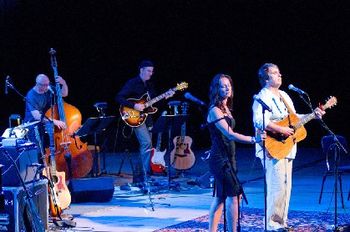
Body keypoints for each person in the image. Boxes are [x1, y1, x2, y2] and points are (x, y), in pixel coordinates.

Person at [252, 63, 325, 231]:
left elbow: (294, 118)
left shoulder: (284, 95)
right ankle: (272, 225)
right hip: (272, 147)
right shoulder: (262, 96)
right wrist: (279, 129)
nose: (280, 75)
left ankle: (281, 223)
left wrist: (313, 115)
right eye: (275, 73)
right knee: (276, 187)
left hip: (287, 146)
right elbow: (259, 120)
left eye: (279, 72)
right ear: (265, 78)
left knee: (286, 186)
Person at [207, 73, 264, 232]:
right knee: (234, 195)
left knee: (220, 197)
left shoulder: (226, 108)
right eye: (223, 85)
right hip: (219, 159)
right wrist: (253, 140)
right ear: (216, 89)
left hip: (229, 157)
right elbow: (230, 134)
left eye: (229, 85)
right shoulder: (214, 110)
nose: (227, 88)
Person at [116, 60, 174, 185]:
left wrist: (166, 96)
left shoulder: (149, 85)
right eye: (148, 71)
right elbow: (119, 97)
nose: (151, 73)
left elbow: (153, 104)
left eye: (152, 71)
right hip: (133, 116)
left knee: (146, 146)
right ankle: (144, 175)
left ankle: (139, 176)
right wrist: (134, 105)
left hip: (146, 118)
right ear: (141, 70)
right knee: (146, 143)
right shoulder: (132, 83)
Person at [24, 74, 68, 150]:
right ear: (38, 84)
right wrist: (55, 122)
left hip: (46, 123)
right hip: (33, 126)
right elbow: (37, 116)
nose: (47, 86)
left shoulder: (48, 88)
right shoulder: (31, 95)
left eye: (48, 84)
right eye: (45, 85)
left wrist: (63, 83)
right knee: (39, 151)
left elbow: (64, 94)